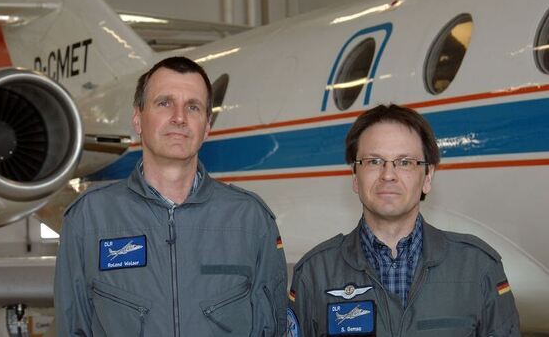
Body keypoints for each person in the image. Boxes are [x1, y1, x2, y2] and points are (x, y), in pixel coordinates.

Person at [55, 56, 287, 336]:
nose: (179, 117)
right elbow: (73, 327)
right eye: (164, 103)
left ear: (207, 127)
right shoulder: (89, 219)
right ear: (138, 119)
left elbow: (272, 327)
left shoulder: (251, 220)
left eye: (193, 106)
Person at [288, 104, 520, 336]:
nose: (388, 175)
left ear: (428, 177)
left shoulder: (478, 267)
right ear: (355, 177)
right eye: (374, 161)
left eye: (405, 162)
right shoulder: (314, 274)